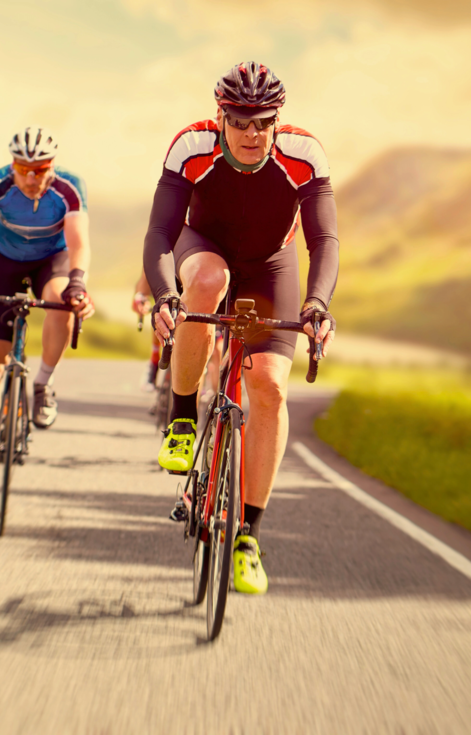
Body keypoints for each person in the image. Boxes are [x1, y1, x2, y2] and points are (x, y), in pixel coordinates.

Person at [144, 62, 338, 595]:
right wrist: (165, 296)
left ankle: (248, 535)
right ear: (221, 117)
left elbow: (323, 240)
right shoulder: (191, 147)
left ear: (278, 119)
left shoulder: (303, 155)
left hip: (270, 264)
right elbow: (162, 230)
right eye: (240, 121)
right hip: (201, 245)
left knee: (270, 387)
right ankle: (182, 419)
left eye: (264, 122)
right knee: (207, 280)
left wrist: (317, 303)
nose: (252, 133)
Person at [0, 126, 94, 497]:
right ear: (12, 164)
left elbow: (79, 244)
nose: (31, 178)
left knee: (62, 298)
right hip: (3, 262)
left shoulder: (69, 189)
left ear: (53, 165)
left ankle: (43, 384)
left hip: (52, 260)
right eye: (23, 168)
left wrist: (78, 282)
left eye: (41, 169)